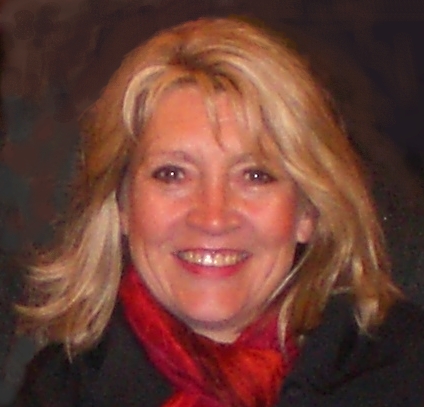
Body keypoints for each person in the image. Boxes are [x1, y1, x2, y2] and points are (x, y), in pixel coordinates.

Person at [13, 17, 424, 407]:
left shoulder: (405, 372)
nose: (213, 217)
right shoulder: (58, 391)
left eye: (255, 176)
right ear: (121, 204)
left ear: (308, 212)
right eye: (172, 174)